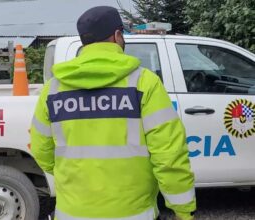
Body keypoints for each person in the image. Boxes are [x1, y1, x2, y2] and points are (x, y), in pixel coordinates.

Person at [30, 5, 196, 220]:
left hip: (73, 213)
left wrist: (75, 177)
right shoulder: (144, 83)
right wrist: (184, 211)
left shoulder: (53, 89)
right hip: (134, 213)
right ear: (117, 35)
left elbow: (41, 150)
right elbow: (169, 156)